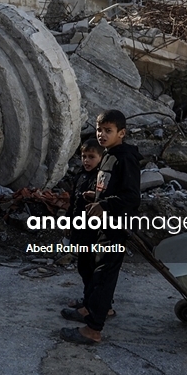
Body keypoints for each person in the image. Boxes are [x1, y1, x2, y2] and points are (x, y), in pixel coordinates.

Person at [60, 109, 141, 345]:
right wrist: (94, 195)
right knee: (94, 272)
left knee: (103, 275)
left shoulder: (126, 158)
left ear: (121, 133)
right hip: (101, 226)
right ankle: (90, 310)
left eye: (108, 131)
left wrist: (104, 204)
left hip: (115, 227)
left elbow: (131, 197)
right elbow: (108, 187)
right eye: (99, 130)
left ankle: (93, 330)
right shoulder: (108, 155)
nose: (102, 135)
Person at [64, 139, 106, 313]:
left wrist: (95, 197)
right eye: (84, 156)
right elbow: (73, 202)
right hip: (79, 229)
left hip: (92, 232)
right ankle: (89, 299)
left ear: (101, 158)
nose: (87, 160)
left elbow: (104, 203)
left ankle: (94, 305)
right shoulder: (80, 176)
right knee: (83, 267)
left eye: (91, 157)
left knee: (92, 268)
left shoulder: (101, 179)